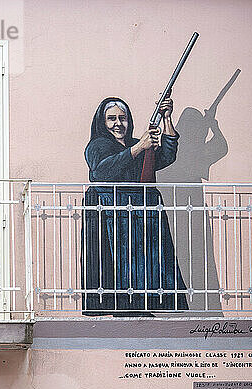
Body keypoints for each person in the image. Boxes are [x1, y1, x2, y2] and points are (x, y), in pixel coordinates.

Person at [81, 96, 189, 316]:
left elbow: (165, 158)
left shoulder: (134, 143)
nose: (118, 123)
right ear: (102, 122)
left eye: (123, 118)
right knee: (117, 263)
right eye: (111, 119)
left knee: (142, 261)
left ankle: (143, 305)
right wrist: (140, 146)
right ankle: (122, 307)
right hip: (110, 211)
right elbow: (102, 171)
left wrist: (166, 118)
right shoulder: (97, 145)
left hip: (138, 211)